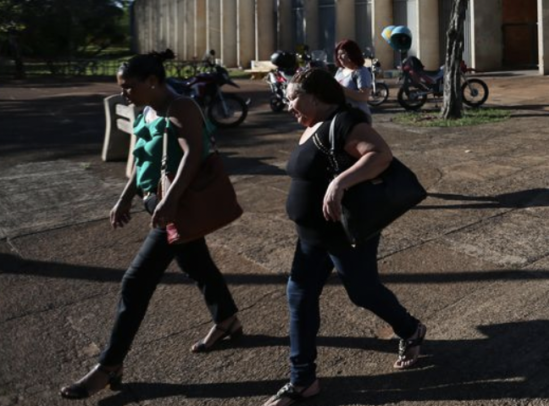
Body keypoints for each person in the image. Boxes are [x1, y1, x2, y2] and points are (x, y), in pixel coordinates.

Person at [60, 51, 241, 399]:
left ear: (153, 81)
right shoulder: (146, 109)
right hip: (155, 201)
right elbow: (142, 156)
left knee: (135, 283)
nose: (125, 94)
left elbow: (193, 152)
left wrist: (170, 200)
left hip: (174, 205)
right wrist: (126, 197)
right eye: (122, 88)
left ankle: (110, 364)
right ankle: (228, 319)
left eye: (129, 87)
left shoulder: (181, 107)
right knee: (197, 263)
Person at [265, 67, 425, 406]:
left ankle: (410, 329)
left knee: (363, 293)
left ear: (316, 96)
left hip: (344, 234)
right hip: (310, 236)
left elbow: (380, 155)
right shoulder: (311, 125)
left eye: (293, 97)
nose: (288, 103)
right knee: (299, 298)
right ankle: (302, 379)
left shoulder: (345, 122)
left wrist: (340, 183)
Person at [333, 38, 374, 121]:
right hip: (341, 116)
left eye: (343, 53)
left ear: (352, 53)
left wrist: (341, 89)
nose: (339, 57)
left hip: (357, 118)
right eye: (338, 54)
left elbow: (364, 96)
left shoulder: (361, 71)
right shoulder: (340, 71)